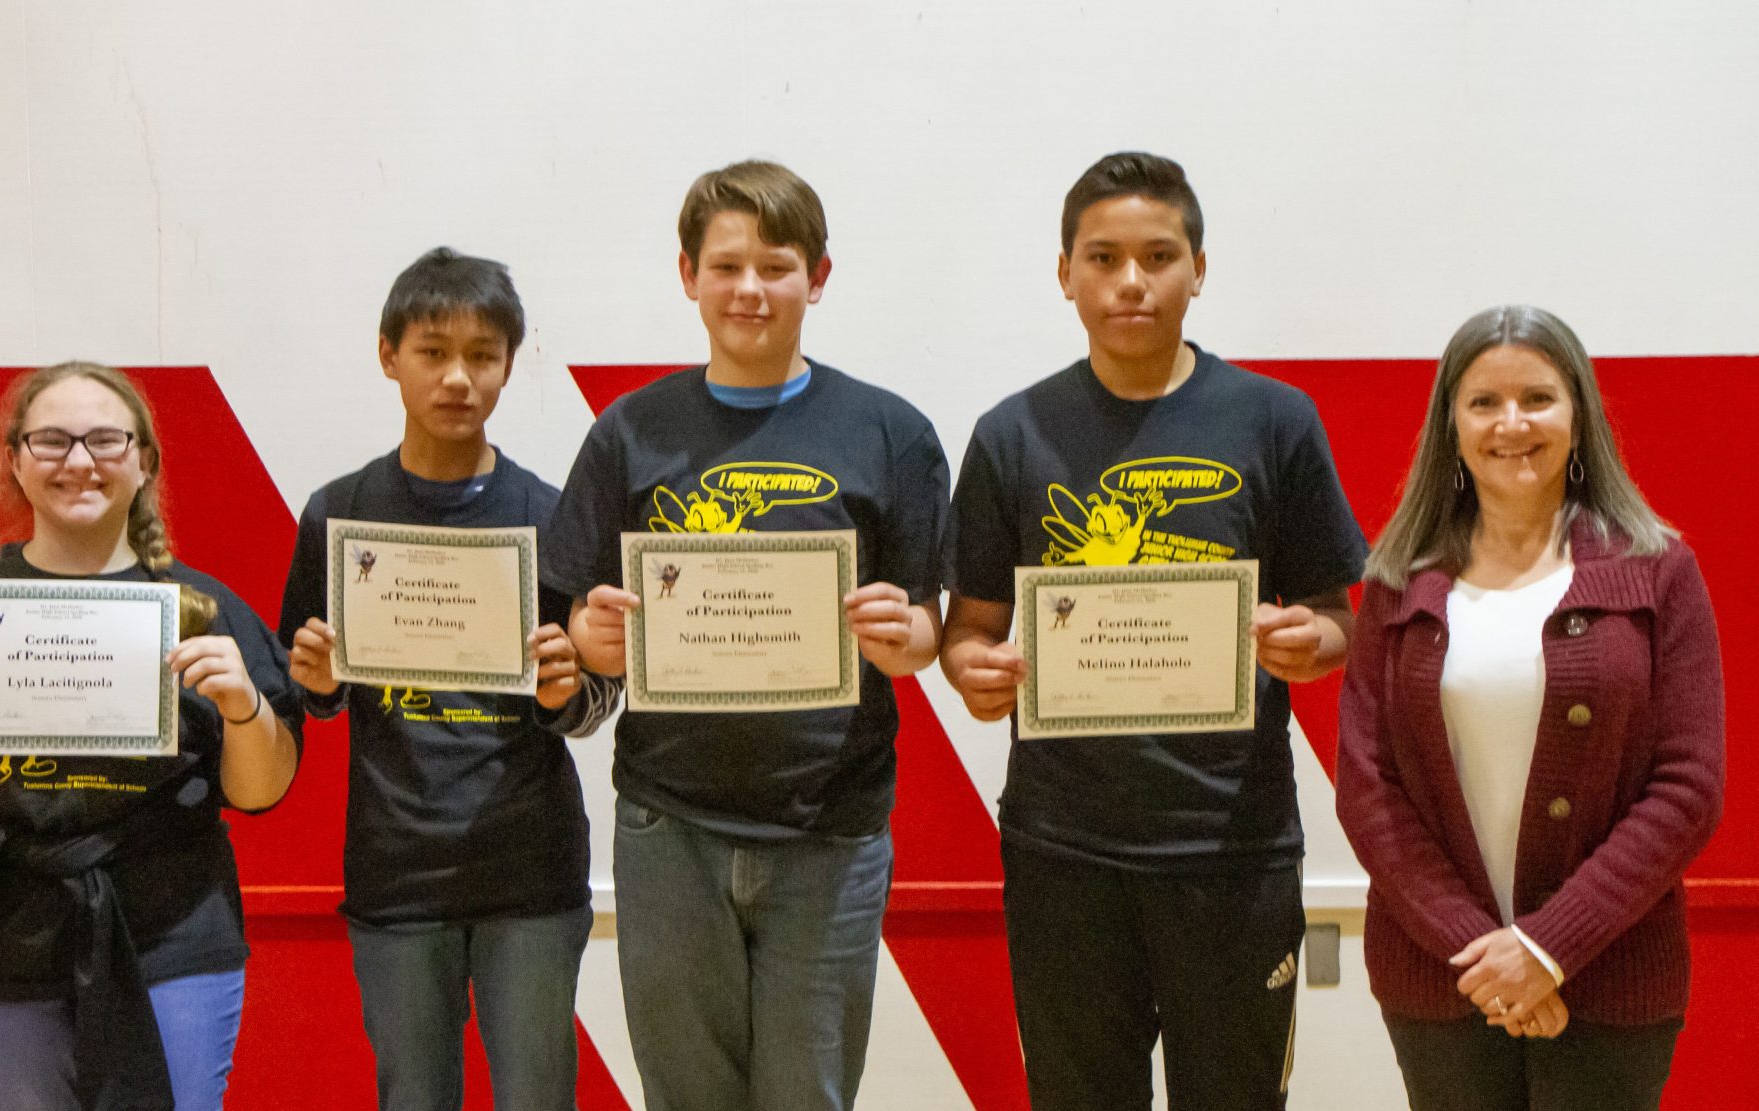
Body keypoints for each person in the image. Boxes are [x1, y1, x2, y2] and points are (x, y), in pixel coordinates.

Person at [938, 151, 1368, 1110]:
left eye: (1159, 256)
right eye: (1103, 257)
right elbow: (968, 629)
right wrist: (977, 673)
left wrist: (1311, 643)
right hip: (1063, 851)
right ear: (1066, 274)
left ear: (1198, 269)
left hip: (1234, 845)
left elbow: (1339, 615)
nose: (1131, 280)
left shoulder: (1275, 421)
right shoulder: (1012, 433)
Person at [542, 160, 950, 1111]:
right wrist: (593, 638)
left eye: (776, 265)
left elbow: (930, 618)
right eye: (726, 266)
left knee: (810, 1096)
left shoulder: (892, 432)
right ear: (688, 275)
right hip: (668, 825)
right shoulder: (629, 433)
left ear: (819, 276)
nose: (750, 289)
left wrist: (910, 637)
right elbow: (575, 624)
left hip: (832, 826)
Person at [0, 361, 303, 1111]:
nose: (80, 461)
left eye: (106, 440)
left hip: (170, 937)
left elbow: (261, 792)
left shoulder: (201, 609)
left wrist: (246, 707)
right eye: (52, 440)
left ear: (145, 462)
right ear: (15, 462)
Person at [1335, 305, 1724, 1111]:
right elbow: (1369, 786)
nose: (1512, 423)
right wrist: (1483, 955)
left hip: (1613, 980)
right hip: (1444, 982)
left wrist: (1549, 948)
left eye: (1538, 398)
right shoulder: (1398, 580)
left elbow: (1688, 787)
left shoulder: (1660, 569)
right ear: (1452, 426)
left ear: (1579, 417)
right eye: (1484, 402)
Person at [276, 247, 617, 1111]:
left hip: (530, 871)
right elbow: (308, 690)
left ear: (510, 363)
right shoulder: (337, 513)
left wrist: (565, 694)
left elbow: (601, 693)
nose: (458, 377)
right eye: (433, 352)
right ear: (388, 355)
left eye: (482, 355)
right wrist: (317, 677)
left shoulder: (549, 513)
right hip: (396, 870)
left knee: (539, 1097)